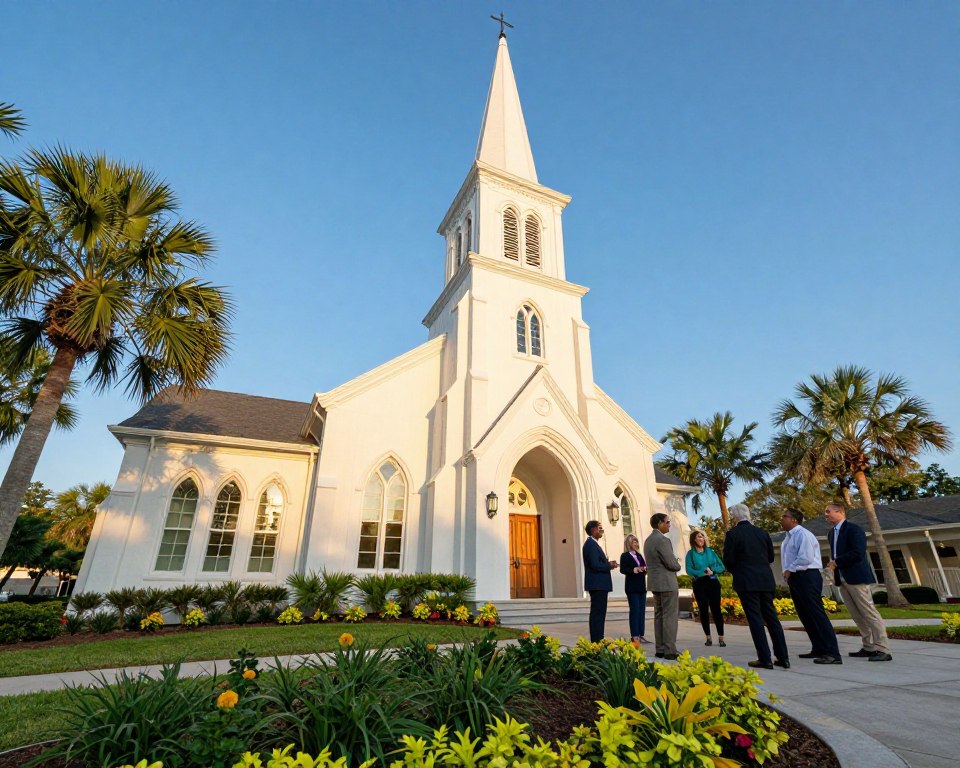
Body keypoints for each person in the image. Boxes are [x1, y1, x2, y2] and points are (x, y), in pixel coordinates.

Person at [723, 503, 790, 670]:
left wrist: (738, 570)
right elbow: (770, 557)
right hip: (765, 580)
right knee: (772, 619)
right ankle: (783, 657)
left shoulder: (733, 534)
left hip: (746, 582)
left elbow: (729, 560)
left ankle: (765, 658)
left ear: (735, 517)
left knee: (755, 620)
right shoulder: (762, 532)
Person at [825, 502, 892, 662]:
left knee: (869, 613)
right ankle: (868, 646)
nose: (826, 515)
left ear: (839, 511)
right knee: (856, 615)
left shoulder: (853, 529)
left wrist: (837, 562)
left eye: (828, 512)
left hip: (857, 577)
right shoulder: (831, 533)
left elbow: (858, 552)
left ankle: (883, 649)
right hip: (842, 578)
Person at [780, 508, 842, 664]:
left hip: (807, 576)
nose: (782, 519)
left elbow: (806, 558)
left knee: (816, 614)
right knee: (805, 615)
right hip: (796, 578)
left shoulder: (803, 534)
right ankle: (819, 648)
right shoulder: (788, 537)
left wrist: (790, 569)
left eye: (784, 516)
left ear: (794, 520)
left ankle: (833, 653)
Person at [643, 513, 681, 659]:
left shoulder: (648, 541)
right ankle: (670, 650)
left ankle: (660, 649)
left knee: (659, 615)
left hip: (655, 583)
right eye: (667, 522)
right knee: (670, 616)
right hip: (667, 582)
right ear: (659, 523)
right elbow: (670, 563)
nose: (669, 525)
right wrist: (677, 564)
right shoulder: (663, 540)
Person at [685, 530, 726, 648]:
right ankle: (708, 637)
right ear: (694, 540)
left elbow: (721, 566)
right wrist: (702, 572)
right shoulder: (690, 554)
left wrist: (713, 571)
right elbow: (689, 570)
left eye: (702, 537)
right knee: (703, 610)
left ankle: (721, 637)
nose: (701, 539)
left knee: (716, 609)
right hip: (699, 583)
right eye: (699, 537)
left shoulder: (710, 552)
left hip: (713, 581)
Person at [582, 519, 618, 643]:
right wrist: (609, 565)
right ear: (593, 530)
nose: (601, 531)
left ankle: (599, 638)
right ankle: (596, 640)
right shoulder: (590, 545)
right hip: (597, 584)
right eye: (599, 528)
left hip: (600, 584)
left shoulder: (594, 544)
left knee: (600, 613)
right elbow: (595, 565)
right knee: (597, 614)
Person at [619, 534, 649, 644]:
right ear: (628, 543)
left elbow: (644, 567)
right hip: (632, 587)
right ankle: (635, 636)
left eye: (636, 541)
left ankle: (641, 634)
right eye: (633, 542)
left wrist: (644, 569)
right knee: (635, 611)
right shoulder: (625, 555)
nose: (635, 543)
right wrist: (634, 569)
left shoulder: (639, 555)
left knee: (641, 611)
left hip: (641, 586)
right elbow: (623, 569)